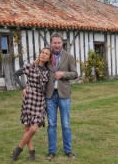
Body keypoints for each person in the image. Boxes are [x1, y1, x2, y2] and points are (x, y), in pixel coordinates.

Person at [12, 47, 52, 161]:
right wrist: (24, 87)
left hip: (40, 100)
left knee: (33, 128)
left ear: (49, 58)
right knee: (28, 127)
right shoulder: (30, 66)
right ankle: (31, 151)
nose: (43, 55)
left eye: (46, 54)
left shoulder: (47, 71)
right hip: (29, 98)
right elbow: (15, 74)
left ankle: (18, 149)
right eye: (42, 52)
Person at [46, 32, 78, 160]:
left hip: (64, 95)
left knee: (66, 124)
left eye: (59, 43)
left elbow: (75, 74)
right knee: (51, 124)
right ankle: (51, 151)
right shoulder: (46, 56)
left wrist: (63, 74)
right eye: (55, 43)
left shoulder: (69, 57)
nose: (57, 45)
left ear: (62, 43)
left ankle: (68, 150)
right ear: (51, 43)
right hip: (49, 95)